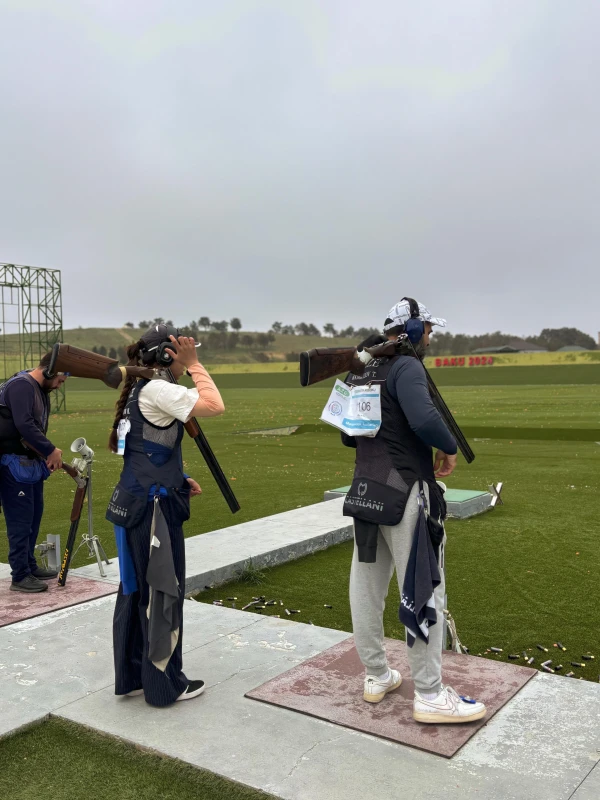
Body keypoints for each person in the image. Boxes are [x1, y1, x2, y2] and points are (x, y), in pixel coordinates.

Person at [343, 297, 486, 724]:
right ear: (412, 330)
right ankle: (429, 694)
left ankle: (376, 674)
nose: (431, 337)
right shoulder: (406, 366)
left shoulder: (360, 368)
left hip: (365, 492)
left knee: (366, 591)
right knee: (425, 590)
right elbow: (424, 420)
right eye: (428, 329)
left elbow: (348, 435)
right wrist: (448, 446)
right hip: (407, 494)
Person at [107, 324, 225, 707]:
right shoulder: (158, 389)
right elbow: (214, 405)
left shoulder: (141, 389)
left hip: (134, 502)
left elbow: (145, 448)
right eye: (181, 352)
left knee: (135, 591)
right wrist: (195, 364)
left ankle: (134, 676)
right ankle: (163, 687)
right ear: (167, 355)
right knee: (162, 593)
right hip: (153, 510)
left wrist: (178, 477)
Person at [0, 354, 67, 593]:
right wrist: (50, 450)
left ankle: (28, 565)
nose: (60, 385)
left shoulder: (37, 388)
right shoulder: (21, 385)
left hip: (28, 463)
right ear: (49, 371)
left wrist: (44, 453)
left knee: (33, 516)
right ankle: (20, 575)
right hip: (12, 463)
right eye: (60, 379)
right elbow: (25, 424)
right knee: (20, 521)